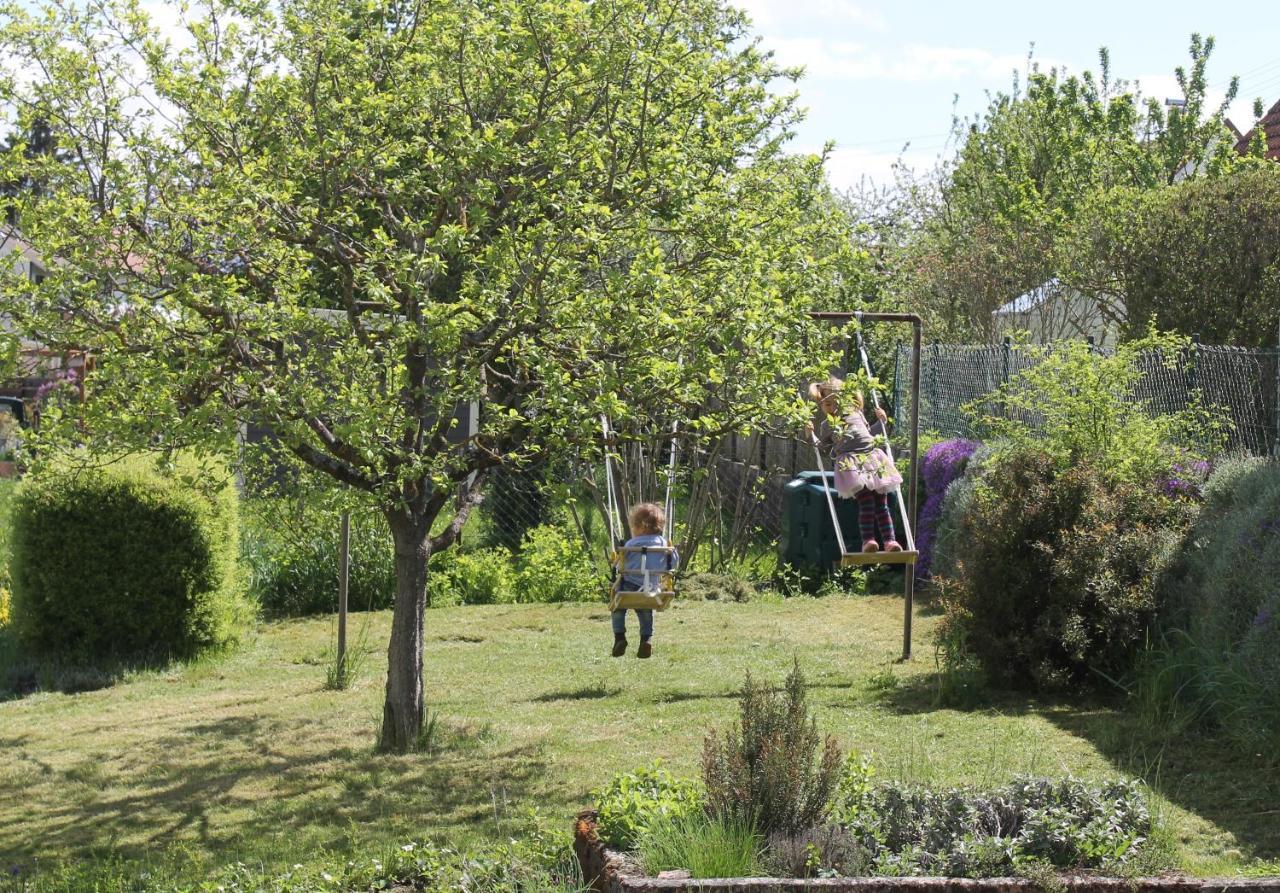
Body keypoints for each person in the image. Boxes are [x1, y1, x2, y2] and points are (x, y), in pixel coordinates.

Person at [806, 376, 904, 553]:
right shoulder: (827, 425)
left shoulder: (857, 414)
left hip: (872, 460)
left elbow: (870, 434)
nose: (832, 407)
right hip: (852, 466)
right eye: (827, 405)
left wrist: (881, 422)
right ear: (821, 406)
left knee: (882, 504)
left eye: (836, 402)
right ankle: (868, 541)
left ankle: (890, 542)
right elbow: (823, 448)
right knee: (866, 502)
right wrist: (811, 435)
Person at [611, 502, 678, 659]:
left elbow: (621, 565)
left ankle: (619, 637)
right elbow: (673, 562)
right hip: (650, 588)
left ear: (641, 527)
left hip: (627, 587)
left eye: (634, 527)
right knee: (645, 610)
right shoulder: (663, 543)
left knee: (617, 607)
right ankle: (646, 640)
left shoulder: (631, 544)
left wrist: (615, 562)